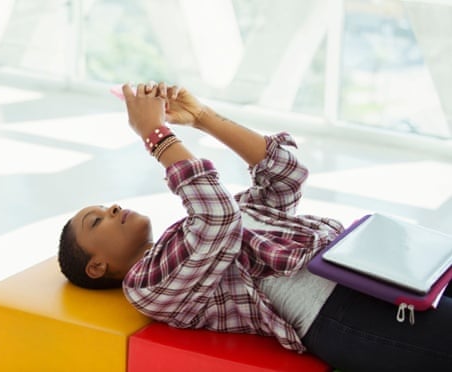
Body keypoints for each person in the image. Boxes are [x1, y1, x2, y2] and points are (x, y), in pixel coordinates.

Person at [58, 82, 452, 371]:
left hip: (379, 267)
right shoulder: (147, 285)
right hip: (343, 311)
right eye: (96, 219)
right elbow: (218, 220)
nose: (111, 207)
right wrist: (154, 135)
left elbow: (286, 175)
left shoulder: (190, 231)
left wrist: (202, 118)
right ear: (97, 266)